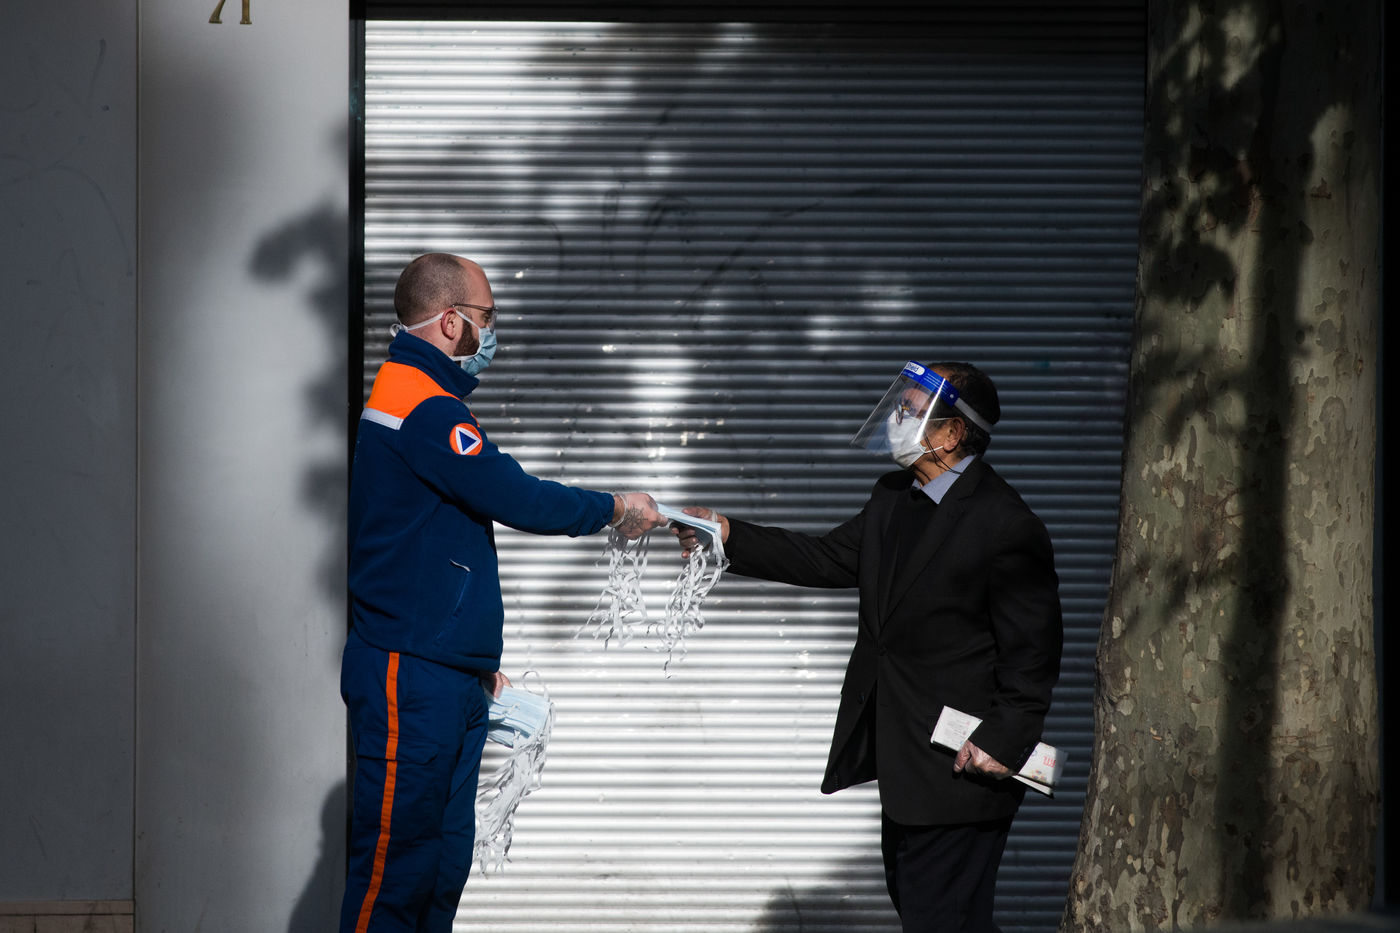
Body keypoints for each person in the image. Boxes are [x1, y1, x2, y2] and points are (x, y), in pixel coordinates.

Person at [674, 360, 1062, 933]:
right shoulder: (893, 498)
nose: (896, 418)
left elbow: (1033, 652)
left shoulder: (1004, 523)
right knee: (929, 912)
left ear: (952, 434)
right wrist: (727, 532)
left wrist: (1003, 739)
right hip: (906, 758)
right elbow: (826, 559)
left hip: (964, 765)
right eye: (900, 405)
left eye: (911, 410)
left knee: (941, 920)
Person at [341, 252, 666, 933]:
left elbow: (431, 544)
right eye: (486, 317)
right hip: (412, 672)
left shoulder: (421, 398)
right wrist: (615, 507)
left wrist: (471, 662)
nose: (492, 332)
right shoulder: (424, 408)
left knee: (439, 870)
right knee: (395, 876)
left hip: (446, 671)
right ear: (450, 321)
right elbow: (518, 497)